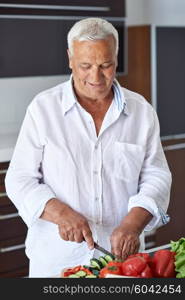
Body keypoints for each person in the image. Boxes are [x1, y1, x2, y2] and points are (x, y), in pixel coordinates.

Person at [5, 18, 172, 278]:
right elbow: (19, 179)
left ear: (116, 59)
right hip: (56, 262)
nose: (95, 77)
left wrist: (133, 224)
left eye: (105, 65)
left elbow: (157, 175)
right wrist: (59, 212)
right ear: (70, 59)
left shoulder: (141, 111)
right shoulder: (43, 109)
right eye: (85, 66)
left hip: (121, 264)